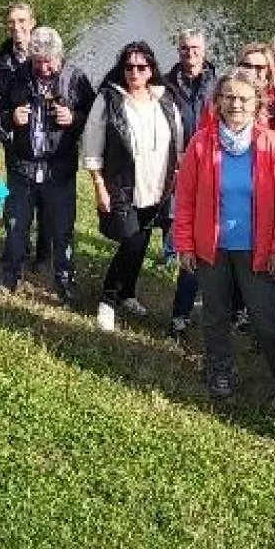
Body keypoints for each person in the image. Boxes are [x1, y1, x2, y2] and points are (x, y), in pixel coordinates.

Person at [173, 73, 275, 408]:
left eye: (244, 99)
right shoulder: (202, 143)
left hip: (257, 251)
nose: (236, 104)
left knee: (266, 320)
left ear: (257, 104)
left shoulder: (272, 143)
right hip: (212, 249)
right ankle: (220, 370)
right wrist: (185, 244)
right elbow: (186, 196)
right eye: (229, 97)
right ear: (218, 101)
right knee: (215, 315)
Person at [82, 41, 184, 333]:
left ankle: (127, 293)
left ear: (151, 69)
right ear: (122, 69)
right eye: (129, 67)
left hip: (158, 186)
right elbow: (92, 146)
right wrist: (99, 185)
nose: (135, 72)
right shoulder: (109, 99)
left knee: (141, 243)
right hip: (123, 186)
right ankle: (108, 299)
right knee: (131, 242)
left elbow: (177, 142)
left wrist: (177, 176)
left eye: (142, 67)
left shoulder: (165, 99)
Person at [0, 26, 95, 302]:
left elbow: (96, 119)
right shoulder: (17, 76)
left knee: (62, 229)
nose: (44, 68)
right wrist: (10, 117)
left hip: (58, 169)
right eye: (38, 62)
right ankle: (11, 275)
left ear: (60, 57)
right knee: (16, 225)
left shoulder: (76, 78)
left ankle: (65, 280)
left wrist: (74, 118)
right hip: (22, 167)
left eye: (50, 62)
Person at [162, 29, 218, 338]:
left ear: (204, 49)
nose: (190, 53)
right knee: (178, 217)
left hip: (212, 167)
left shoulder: (219, 82)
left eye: (195, 47)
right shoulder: (166, 82)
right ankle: (173, 256)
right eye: (184, 48)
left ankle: (224, 305)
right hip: (178, 161)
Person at [0, 2, 51, 269]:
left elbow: (68, 92)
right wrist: (9, 126)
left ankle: (45, 254)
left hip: (48, 144)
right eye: (12, 22)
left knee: (47, 202)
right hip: (16, 143)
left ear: (32, 22)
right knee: (17, 202)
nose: (17, 27)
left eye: (22, 21)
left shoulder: (50, 53)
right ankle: (16, 249)